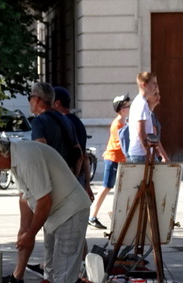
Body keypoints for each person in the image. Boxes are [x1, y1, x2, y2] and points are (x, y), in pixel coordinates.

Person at [0, 137, 90, 283]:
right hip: (55, 215)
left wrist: (30, 234)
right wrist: (24, 229)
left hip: (70, 210)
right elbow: (25, 196)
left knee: (63, 276)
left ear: (0, 154)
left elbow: (44, 201)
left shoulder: (26, 158)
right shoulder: (16, 158)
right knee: (50, 271)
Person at [89, 94, 130, 229]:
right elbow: (121, 144)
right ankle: (92, 216)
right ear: (122, 109)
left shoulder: (123, 123)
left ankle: (116, 213)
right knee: (107, 186)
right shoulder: (118, 124)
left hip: (118, 160)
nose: (130, 108)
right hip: (113, 159)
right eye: (128, 106)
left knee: (119, 187)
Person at [53, 85, 93, 198]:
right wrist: (87, 184)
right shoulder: (77, 122)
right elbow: (84, 155)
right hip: (77, 178)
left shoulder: (65, 123)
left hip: (70, 178)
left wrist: (73, 179)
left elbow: (79, 154)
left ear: (57, 103)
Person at [27, 81, 76, 166]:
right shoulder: (67, 120)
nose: (29, 102)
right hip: (68, 174)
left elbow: (41, 151)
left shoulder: (38, 122)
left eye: (30, 98)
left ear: (36, 99)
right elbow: (78, 152)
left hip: (50, 176)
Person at [127, 70, 169, 163]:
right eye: (153, 83)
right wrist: (148, 154)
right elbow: (141, 131)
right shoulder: (141, 103)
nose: (155, 86)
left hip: (143, 153)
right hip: (141, 154)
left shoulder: (143, 103)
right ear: (144, 85)